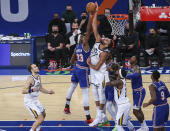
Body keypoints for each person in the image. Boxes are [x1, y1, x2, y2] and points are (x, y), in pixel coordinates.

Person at [64, 13, 93, 124]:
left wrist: (76, 63)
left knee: (72, 86)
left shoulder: (77, 47)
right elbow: (89, 31)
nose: (84, 36)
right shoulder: (85, 44)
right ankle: (88, 117)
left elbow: (72, 60)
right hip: (82, 70)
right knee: (85, 93)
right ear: (81, 39)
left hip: (76, 68)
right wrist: (91, 18)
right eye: (83, 36)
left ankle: (66, 106)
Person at [86, 2, 113, 127]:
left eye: (108, 39)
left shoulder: (105, 53)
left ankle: (99, 117)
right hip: (93, 73)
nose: (105, 38)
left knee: (101, 96)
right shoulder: (97, 41)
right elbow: (94, 26)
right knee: (95, 94)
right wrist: (95, 12)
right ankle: (101, 117)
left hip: (100, 74)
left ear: (107, 44)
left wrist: (88, 63)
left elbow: (97, 66)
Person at [22, 64, 55, 131]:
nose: (37, 67)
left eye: (36, 66)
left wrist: (49, 92)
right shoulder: (30, 79)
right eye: (35, 67)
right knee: (40, 119)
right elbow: (23, 91)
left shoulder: (39, 76)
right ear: (31, 70)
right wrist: (31, 90)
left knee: (44, 114)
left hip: (35, 100)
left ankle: (37, 129)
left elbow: (40, 88)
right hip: (29, 102)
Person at [126, 56, 149, 131]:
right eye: (131, 57)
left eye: (133, 58)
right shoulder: (131, 67)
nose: (131, 58)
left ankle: (144, 127)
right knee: (139, 110)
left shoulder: (137, 68)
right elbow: (129, 77)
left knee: (135, 111)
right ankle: (144, 127)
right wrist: (126, 75)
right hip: (135, 92)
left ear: (135, 61)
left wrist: (124, 75)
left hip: (139, 92)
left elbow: (135, 75)